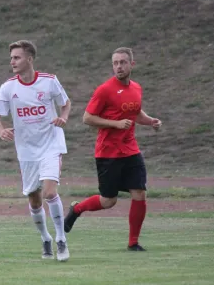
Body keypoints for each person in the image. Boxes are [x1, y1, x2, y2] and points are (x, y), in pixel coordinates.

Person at [63, 47, 162, 251]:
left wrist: (150, 121)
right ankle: (77, 209)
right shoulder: (105, 90)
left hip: (131, 151)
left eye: (123, 62)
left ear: (131, 64)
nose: (119, 66)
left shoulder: (136, 88)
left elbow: (135, 113)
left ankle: (133, 242)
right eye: (115, 63)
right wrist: (115, 124)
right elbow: (87, 118)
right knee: (109, 201)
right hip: (108, 153)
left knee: (139, 193)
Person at [0, 40, 72, 261]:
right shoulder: (8, 87)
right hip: (26, 152)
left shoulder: (49, 82)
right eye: (11, 58)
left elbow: (66, 103)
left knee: (50, 193)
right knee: (34, 200)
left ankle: (61, 239)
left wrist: (63, 118)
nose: (12, 61)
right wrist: (0, 131)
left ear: (29, 59)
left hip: (51, 145)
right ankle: (45, 238)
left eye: (17, 57)